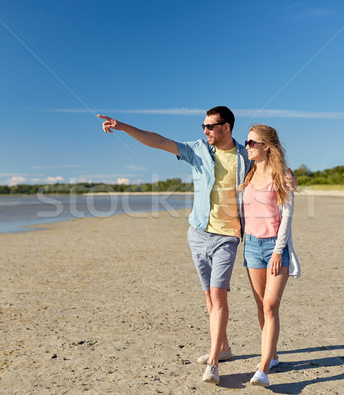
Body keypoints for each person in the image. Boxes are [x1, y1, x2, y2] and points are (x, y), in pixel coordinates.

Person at [98, 106, 250, 385]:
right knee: (209, 296)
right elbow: (158, 140)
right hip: (198, 232)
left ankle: (214, 363)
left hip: (228, 236)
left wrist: (287, 177)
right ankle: (225, 348)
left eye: (209, 126)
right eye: (203, 126)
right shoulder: (198, 150)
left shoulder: (245, 156)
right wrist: (124, 127)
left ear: (226, 127)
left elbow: (269, 167)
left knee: (218, 296)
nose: (204, 131)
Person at [240, 124, 301, 387]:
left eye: (253, 143)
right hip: (251, 246)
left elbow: (287, 216)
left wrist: (278, 250)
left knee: (270, 306)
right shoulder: (248, 173)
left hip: (275, 248)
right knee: (259, 307)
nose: (248, 146)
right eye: (247, 142)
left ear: (267, 146)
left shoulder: (283, 175)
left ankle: (263, 369)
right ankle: (272, 354)